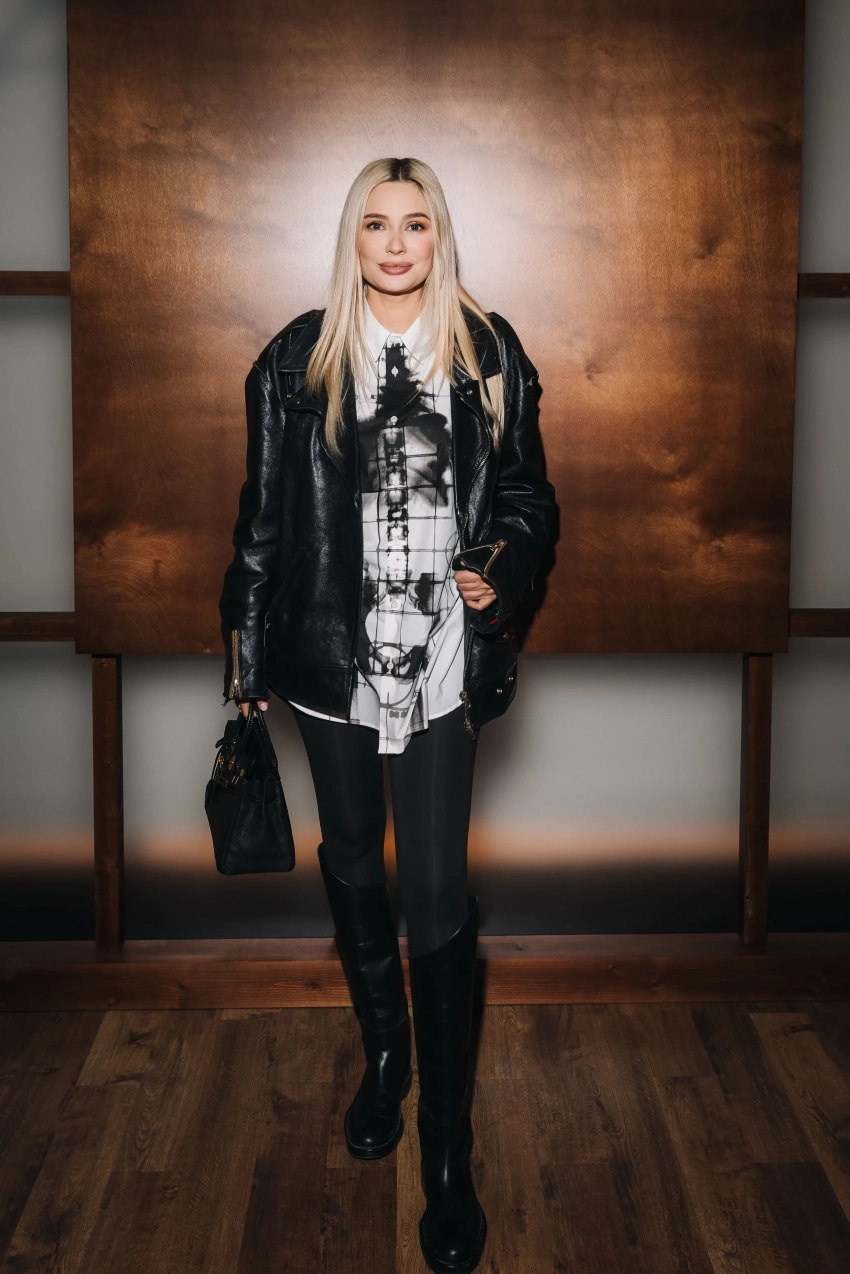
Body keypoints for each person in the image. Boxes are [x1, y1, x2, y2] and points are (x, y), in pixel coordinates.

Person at [219, 156, 555, 1274]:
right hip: (330, 659)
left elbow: (529, 495)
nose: (397, 244)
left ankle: (448, 1155)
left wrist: (500, 564)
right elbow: (261, 519)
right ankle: (386, 1058)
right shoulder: (296, 359)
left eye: (416, 224)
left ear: (438, 237)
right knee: (355, 856)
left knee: (436, 890)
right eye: (377, 224)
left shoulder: (487, 351)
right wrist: (244, 654)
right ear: (352, 239)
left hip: (444, 657)